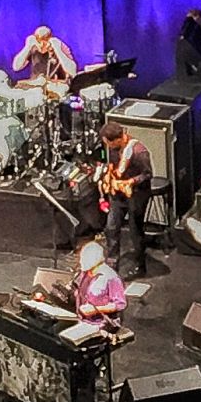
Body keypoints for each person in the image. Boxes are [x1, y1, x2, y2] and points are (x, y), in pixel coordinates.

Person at [98, 122, 152, 280]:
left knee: (136, 231)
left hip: (136, 194)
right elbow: (113, 167)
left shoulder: (139, 151)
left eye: (108, 142)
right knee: (111, 227)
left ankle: (140, 266)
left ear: (117, 139)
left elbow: (147, 174)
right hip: (118, 194)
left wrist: (131, 182)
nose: (107, 146)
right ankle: (112, 262)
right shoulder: (113, 149)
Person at [73, 240, 126, 328]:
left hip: (101, 325)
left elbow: (120, 304)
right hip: (81, 320)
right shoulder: (84, 273)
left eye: (85, 258)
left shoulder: (111, 277)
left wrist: (95, 310)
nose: (81, 261)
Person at [10, 25, 78, 81]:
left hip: (56, 86)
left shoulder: (60, 47)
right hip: (36, 87)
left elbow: (72, 72)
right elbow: (16, 67)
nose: (42, 46)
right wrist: (28, 46)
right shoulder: (33, 48)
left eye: (45, 42)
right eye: (39, 42)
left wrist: (58, 50)